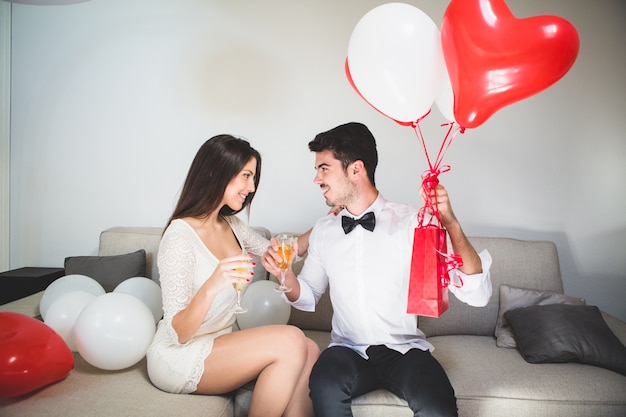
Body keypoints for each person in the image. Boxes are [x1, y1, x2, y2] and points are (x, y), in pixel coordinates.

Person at [261, 122, 492, 417]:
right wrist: (285, 275)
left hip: (404, 350)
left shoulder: (412, 223)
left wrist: (451, 223)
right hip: (347, 350)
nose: (316, 178)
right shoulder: (324, 230)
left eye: (324, 168)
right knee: (323, 385)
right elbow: (307, 296)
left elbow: (477, 295)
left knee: (438, 405)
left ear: (356, 169)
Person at [146, 134, 319, 417]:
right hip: (180, 355)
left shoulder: (231, 224)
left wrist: (326, 222)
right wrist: (213, 284)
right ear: (216, 173)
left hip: (218, 341)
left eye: (253, 178)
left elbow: (286, 252)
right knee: (291, 339)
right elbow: (179, 333)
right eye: (246, 176)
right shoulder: (179, 237)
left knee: (310, 349)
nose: (251, 188)